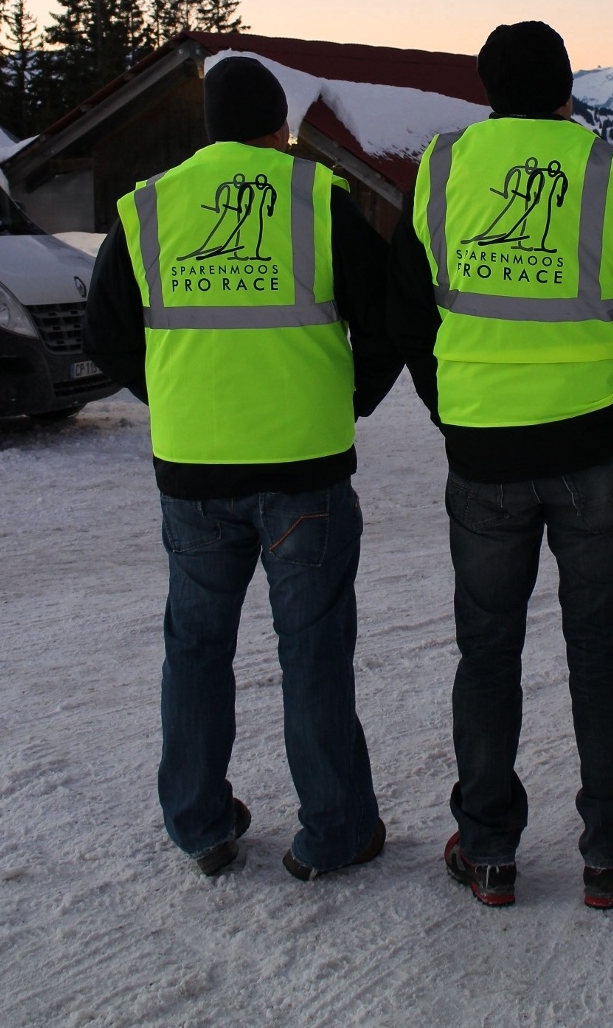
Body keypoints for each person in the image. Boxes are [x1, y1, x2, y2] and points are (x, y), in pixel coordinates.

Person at [387, 21, 613, 908]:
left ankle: (487, 850)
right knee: (600, 651)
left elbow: (409, 308)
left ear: (487, 89)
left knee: (486, 652)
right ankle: (611, 852)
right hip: (594, 448)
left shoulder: (441, 172)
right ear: (567, 87)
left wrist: (451, 401)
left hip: (483, 453)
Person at [85, 55, 402, 879]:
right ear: (277, 126)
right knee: (314, 651)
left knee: (194, 648)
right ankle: (332, 830)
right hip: (303, 466)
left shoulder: (148, 208)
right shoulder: (315, 200)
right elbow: (391, 318)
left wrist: (181, 396)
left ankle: (200, 825)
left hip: (194, 470)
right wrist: (350, 396)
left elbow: (105, 335)